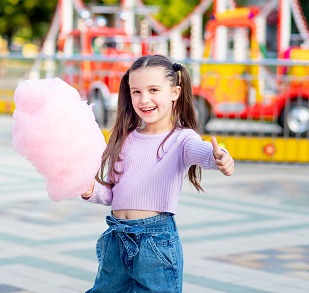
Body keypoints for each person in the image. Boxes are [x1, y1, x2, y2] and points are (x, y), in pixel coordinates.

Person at [81, 55, 234, 293]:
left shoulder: (182, 139)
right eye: (136, 92)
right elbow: (113, 194)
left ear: (174, 92)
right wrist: (91, 190)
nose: (144, 99)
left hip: (154, 241)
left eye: (153, 89)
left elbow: (203, 151)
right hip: (117, 237)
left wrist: (220, 157)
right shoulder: (124, 137)